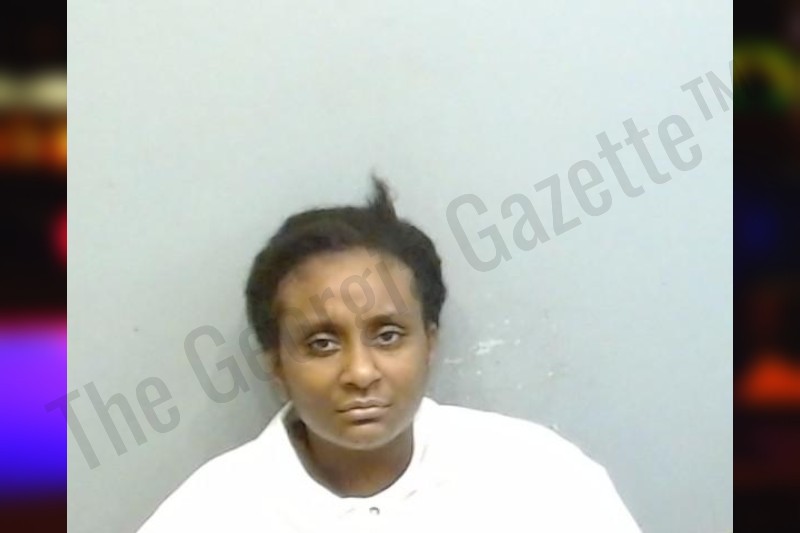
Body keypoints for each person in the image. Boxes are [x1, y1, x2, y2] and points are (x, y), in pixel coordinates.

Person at [138, 177, 641, 532]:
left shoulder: (541, 480)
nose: (360, 372)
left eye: (388, 336)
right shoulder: (209, 515)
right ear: (276, 366)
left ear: (430, 343)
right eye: (321, 344)